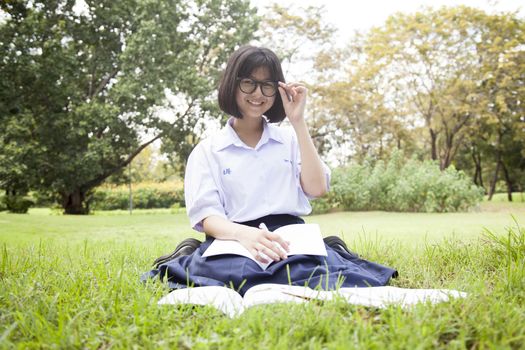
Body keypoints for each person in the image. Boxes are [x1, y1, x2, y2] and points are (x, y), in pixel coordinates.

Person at [144, 46, 397, 295]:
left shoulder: (290, 139)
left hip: (288, 236)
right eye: (249, 83)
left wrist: (298, 121)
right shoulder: (208, 150)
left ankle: (328, 247)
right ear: (232, 84)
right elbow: (208, 217)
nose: (258, 93)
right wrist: (245, 235)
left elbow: (317, 188)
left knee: (306, 274)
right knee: (238, 275)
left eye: (267, 85)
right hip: (233, 236)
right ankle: (191, 251)